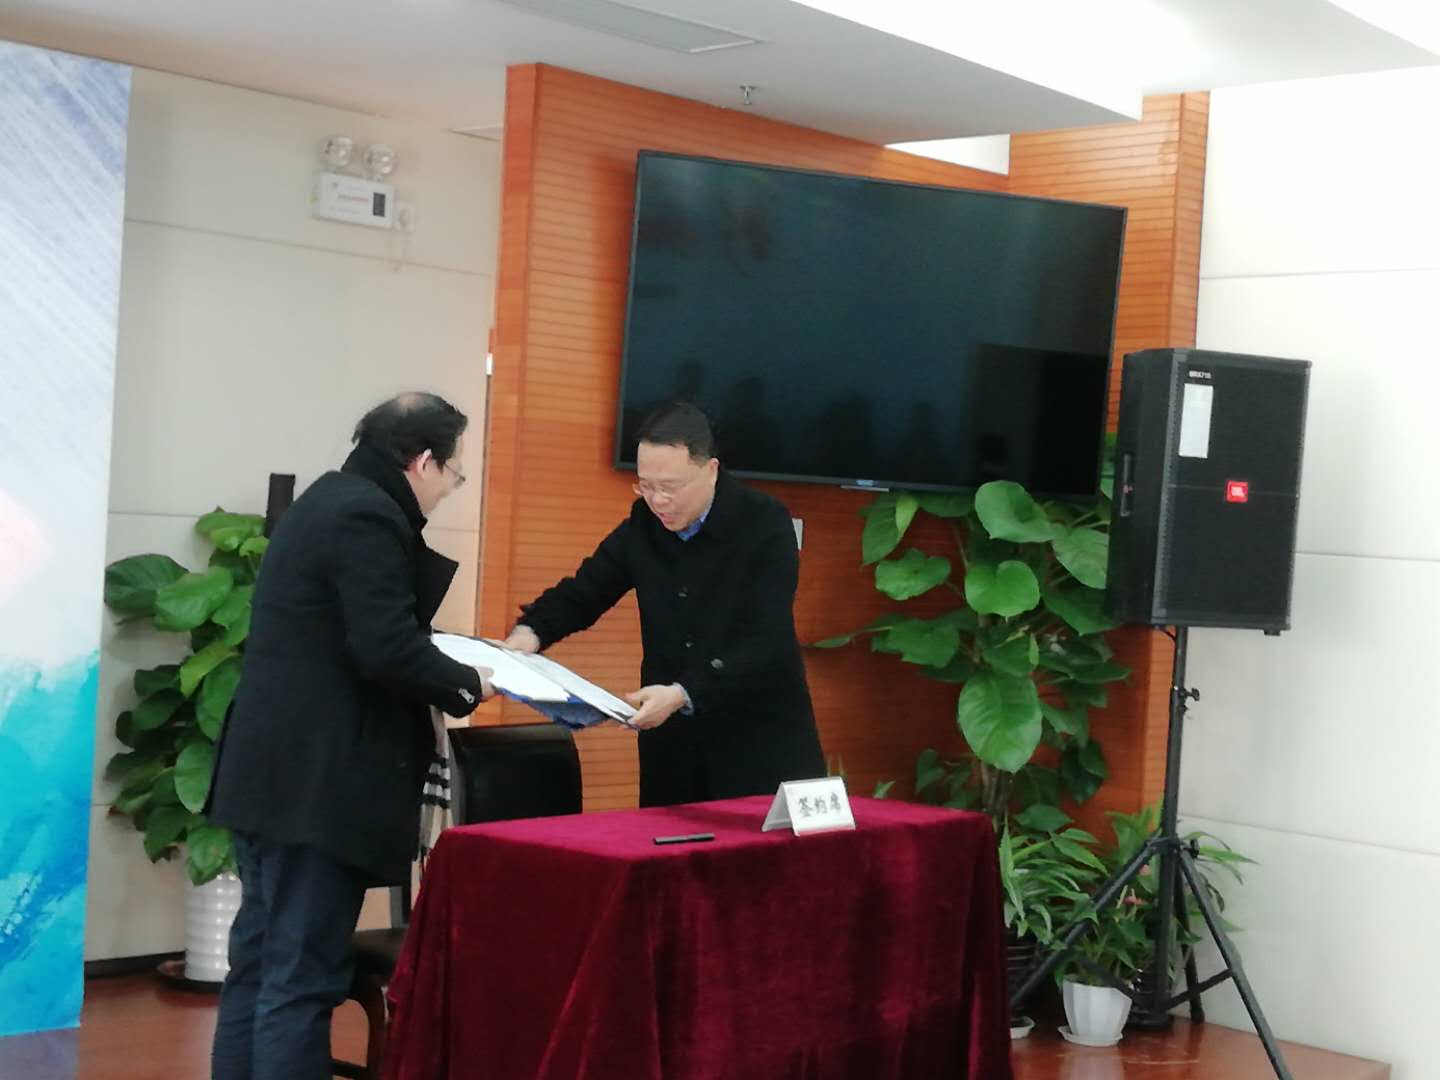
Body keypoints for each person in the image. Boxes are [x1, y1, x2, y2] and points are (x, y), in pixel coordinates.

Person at [207, 392, 493, 1080]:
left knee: (260, 968)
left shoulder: (325, 500)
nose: (448, 490)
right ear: (422, 461)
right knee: (300, 978)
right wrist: (469, 683)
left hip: (269, 778)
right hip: (316, 788)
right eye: (453, 475)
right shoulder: (368, 515)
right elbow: (385, 646)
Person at [504, 401, 824, 807]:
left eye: (670, 487)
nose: (657, 501)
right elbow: (585, 591)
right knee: (670, 843)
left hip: (759, 740)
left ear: (710, 470)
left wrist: (684, 692)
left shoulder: (764, 523)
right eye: (645, 486)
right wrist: (530, 633)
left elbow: (767, 639)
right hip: (675, 747)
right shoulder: (644, 524)